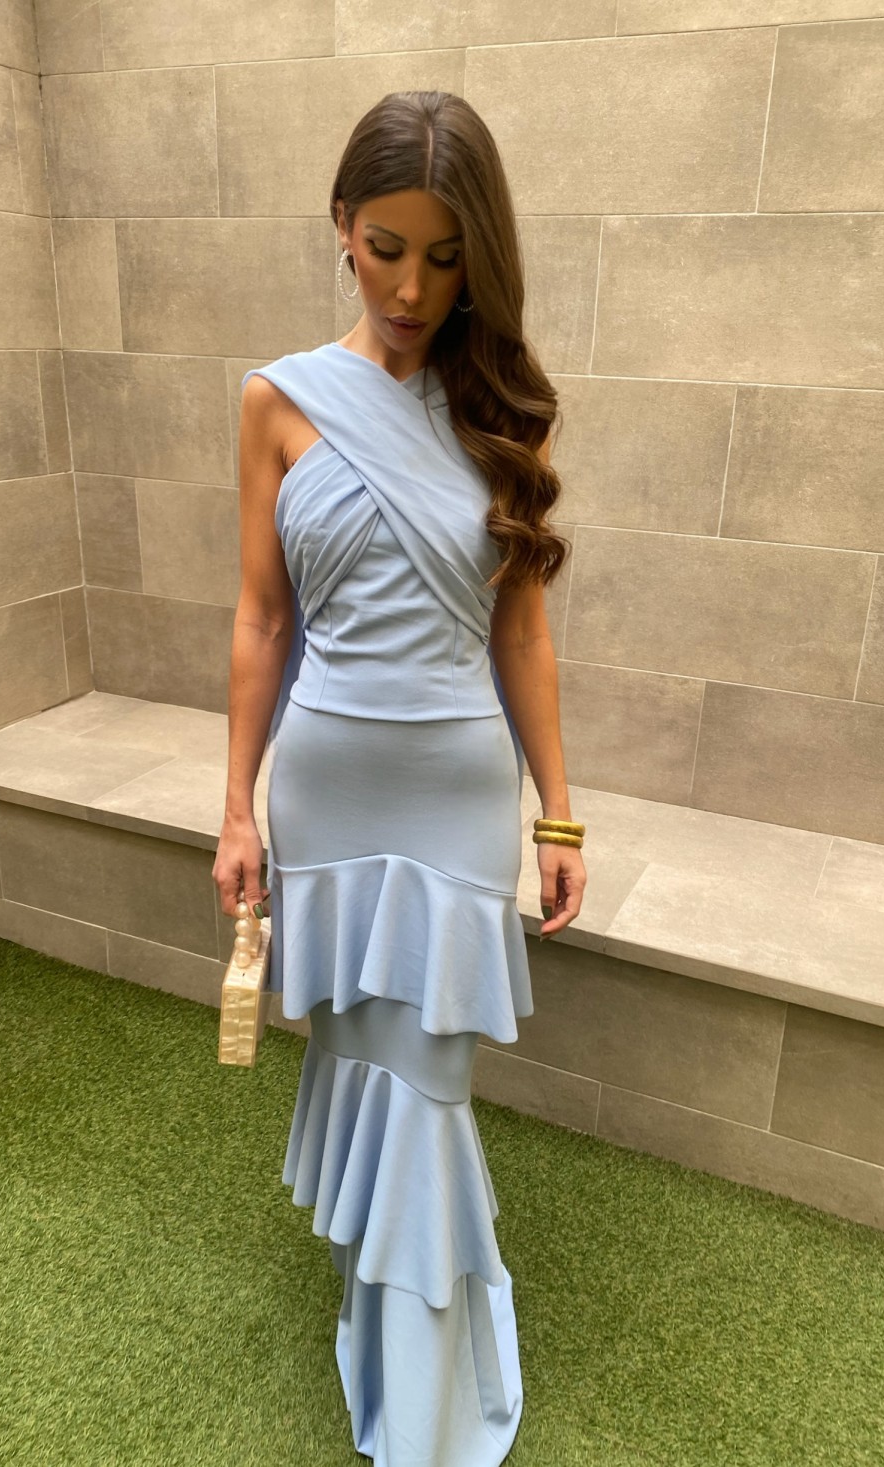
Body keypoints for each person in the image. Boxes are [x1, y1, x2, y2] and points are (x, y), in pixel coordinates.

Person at [212, 89, 587, 1467]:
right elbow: (263, 619)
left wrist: (559, 815)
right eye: (385, 249)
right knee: (357, 1061)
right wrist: (236, 806)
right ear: (340, 228)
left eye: (444, 256)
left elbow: (521, 633)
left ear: (479, 255)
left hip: (454, 800)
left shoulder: (500, 411)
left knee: (425, 1086)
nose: (413, 290)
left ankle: (426, 1414)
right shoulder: (275, 401)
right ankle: (378, 1320)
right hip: (327, 792)